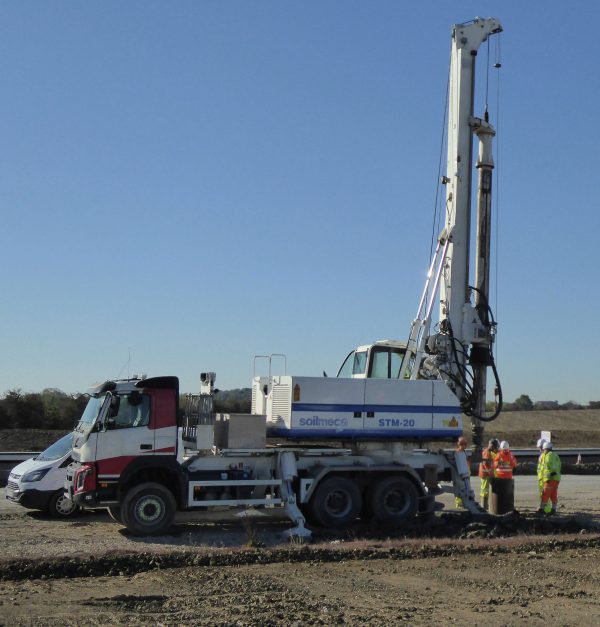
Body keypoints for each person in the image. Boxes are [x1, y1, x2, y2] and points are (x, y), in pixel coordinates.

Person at [540, 441, 561, 515]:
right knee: (553, 494)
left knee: (545, 493)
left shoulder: (549, 456)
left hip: (551, 478)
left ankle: (542, 509)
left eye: (543, 449)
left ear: (546, 449)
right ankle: (554, 509)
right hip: (556, 478)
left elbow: (552, 467)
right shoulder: (555, 455)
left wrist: (550, 475)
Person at [478, 438, 499, 510]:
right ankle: (484, 506)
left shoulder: (488, 452)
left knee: (485, 490)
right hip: (485, 474)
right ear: (492, 446)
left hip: (486, 474)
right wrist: (491, 473)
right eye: (495, 447)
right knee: (484, 490)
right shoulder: (487, 452)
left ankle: (485, 505)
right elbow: (487, 464)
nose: (495, 449)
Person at [454, 436, 469, 508]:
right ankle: (459, 504)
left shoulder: (464, 452)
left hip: (465, 474)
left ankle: (463, 503)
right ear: (461, 444)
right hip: (460, 475)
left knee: (465, 489)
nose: (465, 445)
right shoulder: (457, 453)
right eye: (464, 444)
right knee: (460, 489)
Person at [536, 438, 547, 511]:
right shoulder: (542, 455)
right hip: (541, 479)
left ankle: (546, 509)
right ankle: (543, 508)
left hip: (544, 479)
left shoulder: (546, 456)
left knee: (545, 494)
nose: (539, 449)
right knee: (542, 494)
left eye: (540, 447)